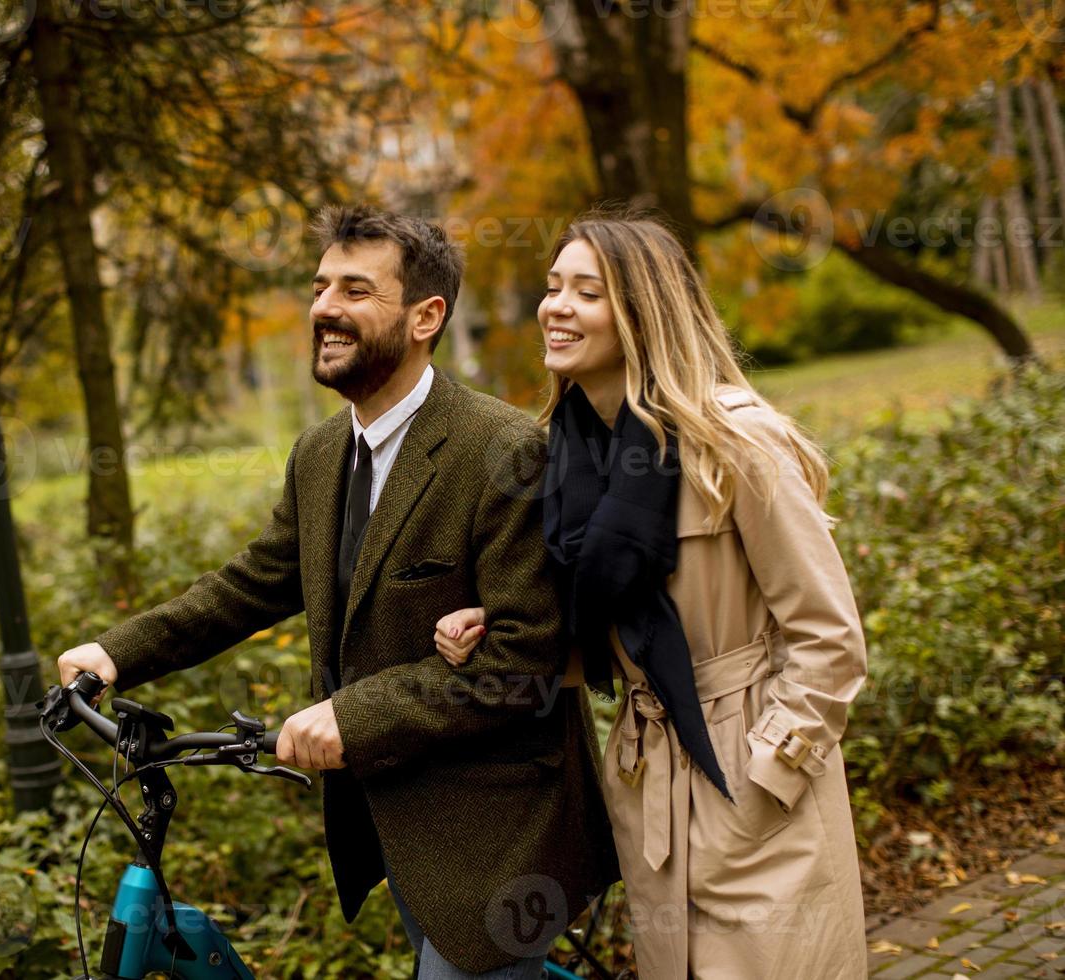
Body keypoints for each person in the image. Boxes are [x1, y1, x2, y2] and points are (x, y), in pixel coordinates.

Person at [57, 204, 619, 978]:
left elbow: (523, 664)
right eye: (321, 287)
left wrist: (349, 716)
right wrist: (116, 653)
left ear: (426, 317)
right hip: (397, 815)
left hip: (498, 831)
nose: (324, 308)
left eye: (356, 291)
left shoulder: (501, 448)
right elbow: (254, 583)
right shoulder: (321, 453)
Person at [434, 208, 869, 978]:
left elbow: (829, 640)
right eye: (552, 287)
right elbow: (603, 626)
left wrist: (768, 776)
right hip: (647, 779)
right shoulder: (567, 453)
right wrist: (498, 623)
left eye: (587, 292)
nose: (556, 307)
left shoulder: (734, 442)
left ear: (643, 312)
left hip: (750, 774)